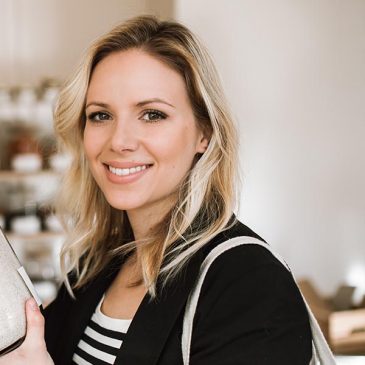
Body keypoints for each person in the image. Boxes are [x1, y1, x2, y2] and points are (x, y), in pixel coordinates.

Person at [0, 15, 313, 364]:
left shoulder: (249, 283)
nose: (119, 141)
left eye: (152, 115)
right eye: (101, 115)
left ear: (203, 133)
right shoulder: (95, 269)